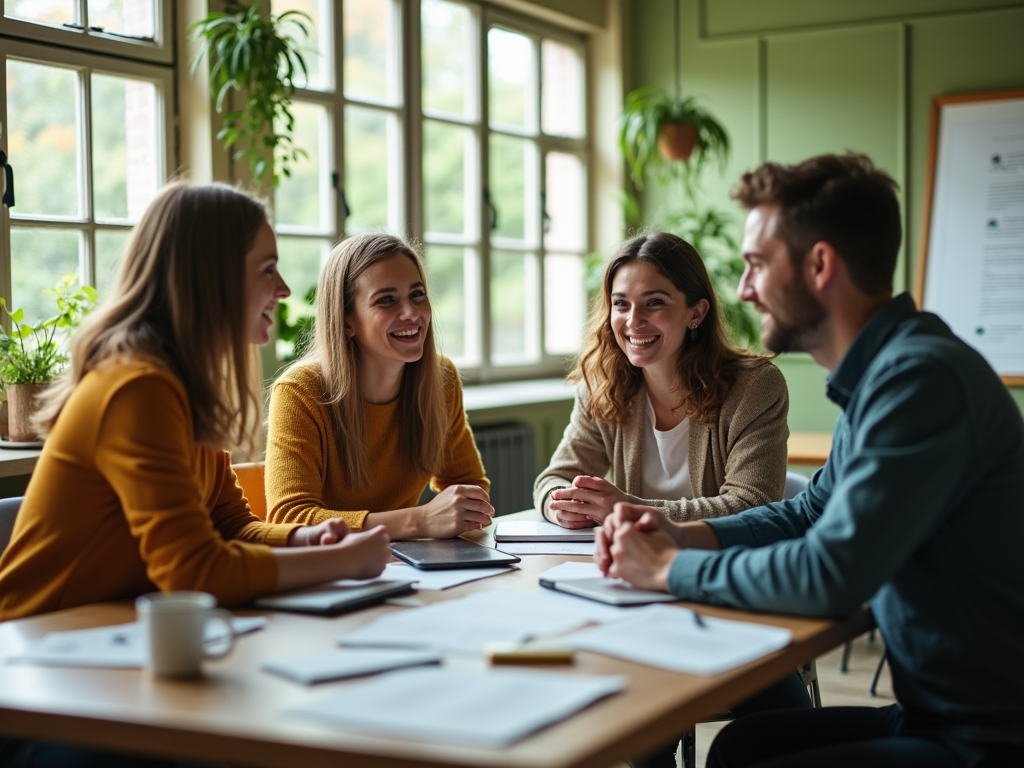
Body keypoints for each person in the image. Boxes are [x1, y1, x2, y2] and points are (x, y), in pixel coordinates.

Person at [597, 154, 1024, 768]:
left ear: (820, 265)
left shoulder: (918, 380)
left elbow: (831, 575)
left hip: (985, 737)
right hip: (938, 711)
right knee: (748, 742)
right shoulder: (887, 372)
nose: (743, 290)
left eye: (757, 265)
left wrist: (668, 571)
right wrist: (686, 533)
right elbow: (811, 510)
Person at [0, 183, 391, 766]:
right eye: (268, 269)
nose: (283, 290)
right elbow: (195, 571)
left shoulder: (182, 390)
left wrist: (305, 537)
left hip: (114, 657)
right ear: (213, 278)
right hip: (38, 680)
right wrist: (345, 562)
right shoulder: (137, 388)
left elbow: (230, 525)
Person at [534, 232, 790, 529]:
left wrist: (630, 509)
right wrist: (561, 506)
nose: (633, 321)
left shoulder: (754, 387)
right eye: (621, 304)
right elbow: (554, 479)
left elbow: (753, 505)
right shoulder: (602, 385)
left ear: (697, 311)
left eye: (654, 302)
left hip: (719, 566)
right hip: (633, 565)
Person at [265, 232, 493, 539]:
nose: (412, 313)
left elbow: (468, 485)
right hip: (330, 572)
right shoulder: (300, 392)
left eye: (417, 294)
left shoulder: (442, 379)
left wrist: (462, 510)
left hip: (408, 568)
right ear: (347, 321)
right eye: (386, 300)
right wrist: (419, 521)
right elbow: (289, 519)